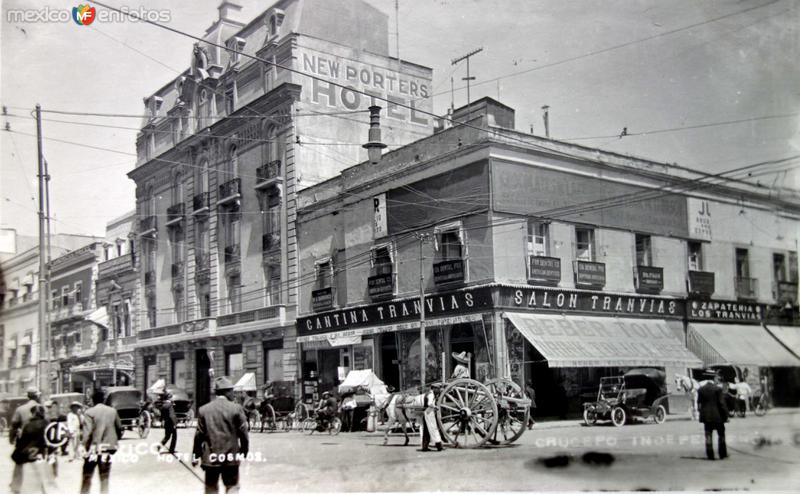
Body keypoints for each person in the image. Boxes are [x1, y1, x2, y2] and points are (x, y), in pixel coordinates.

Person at [192, 377, 249, 494]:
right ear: (226, 392)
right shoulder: (236, 409)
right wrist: (244, 450)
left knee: (211, 488)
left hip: (210, 459)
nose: (233, 394)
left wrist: (195, 455)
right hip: (231, 458)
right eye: (232, 391)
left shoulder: (204, 410)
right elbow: (244, 433)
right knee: (232, 486)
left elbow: (199, 435)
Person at [81, 388, 123, 494]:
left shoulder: (89, 412)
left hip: (93, 449)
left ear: (93, 400)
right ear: (103, 400)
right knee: (104, 476)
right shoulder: (112, 411)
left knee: (87, 476)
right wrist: (114, 440)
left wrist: (84, 448)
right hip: (107, 448)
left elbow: (87, 434)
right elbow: (119, 428)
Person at [10, 404, 49, 494]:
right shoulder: (47, 423)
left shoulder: (28, 425)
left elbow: (22, 443)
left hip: (29, 457)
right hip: (42, 455)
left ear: (33, 414)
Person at [697, 372, 728, 460]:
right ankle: (722, 454)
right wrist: (726, 416)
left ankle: (710, 454)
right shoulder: (717, 389)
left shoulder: (701, 390)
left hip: (706, 418)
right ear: (713, 378)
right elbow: (722, 404)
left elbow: (699, 404)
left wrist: (702, 414)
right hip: (718, 417)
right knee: (721, 435)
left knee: (708, 435)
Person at [420, 383, 444, 452]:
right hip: (429, 413)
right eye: (437, 388)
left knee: (427, 430)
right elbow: (429, 403)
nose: (438, 390)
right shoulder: (431, 394)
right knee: (433, 428)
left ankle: (425, 446)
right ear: (433, 388)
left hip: (428, 413)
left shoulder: (431, 394)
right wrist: (435, 407)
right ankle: (439, 446)